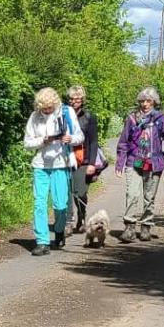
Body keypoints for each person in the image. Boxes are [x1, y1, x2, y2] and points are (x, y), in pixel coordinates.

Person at [114, 86, 164, 242]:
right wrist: (119, 164)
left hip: (154, 162)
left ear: (154, 102)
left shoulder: (162, 119)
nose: (145, 104)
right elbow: (123, 142)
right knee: (132, 194)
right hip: (134, 161)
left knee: (149, 197)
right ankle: (129, 227)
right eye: (142, 101)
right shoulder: (132, 118)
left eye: (148, 101)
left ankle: (146, 226)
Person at [23, 86, 80, 254]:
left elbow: (79, 136)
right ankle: (42, 242)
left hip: (60, 165)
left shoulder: (67, 112)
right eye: (44, 108)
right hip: (40, 165)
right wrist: (43, 140)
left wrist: (70, 139)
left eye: (50, 108)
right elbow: (27, 143)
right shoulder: (34, 117)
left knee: (60, 204)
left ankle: (60, 230)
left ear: (55, 104)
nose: (47, 111)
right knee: (39, 204)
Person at [66, 84, 106, 233]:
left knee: (80, 193)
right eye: (71, 98)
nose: (74, 101)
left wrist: (91, 163)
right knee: (66, 193)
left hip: (83, 160)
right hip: (65, 159)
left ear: (82, 99)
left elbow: (94, 141)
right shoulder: (62, 114)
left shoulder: (89, 117)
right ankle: (68, 222)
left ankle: (81, 216)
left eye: (77, 98)